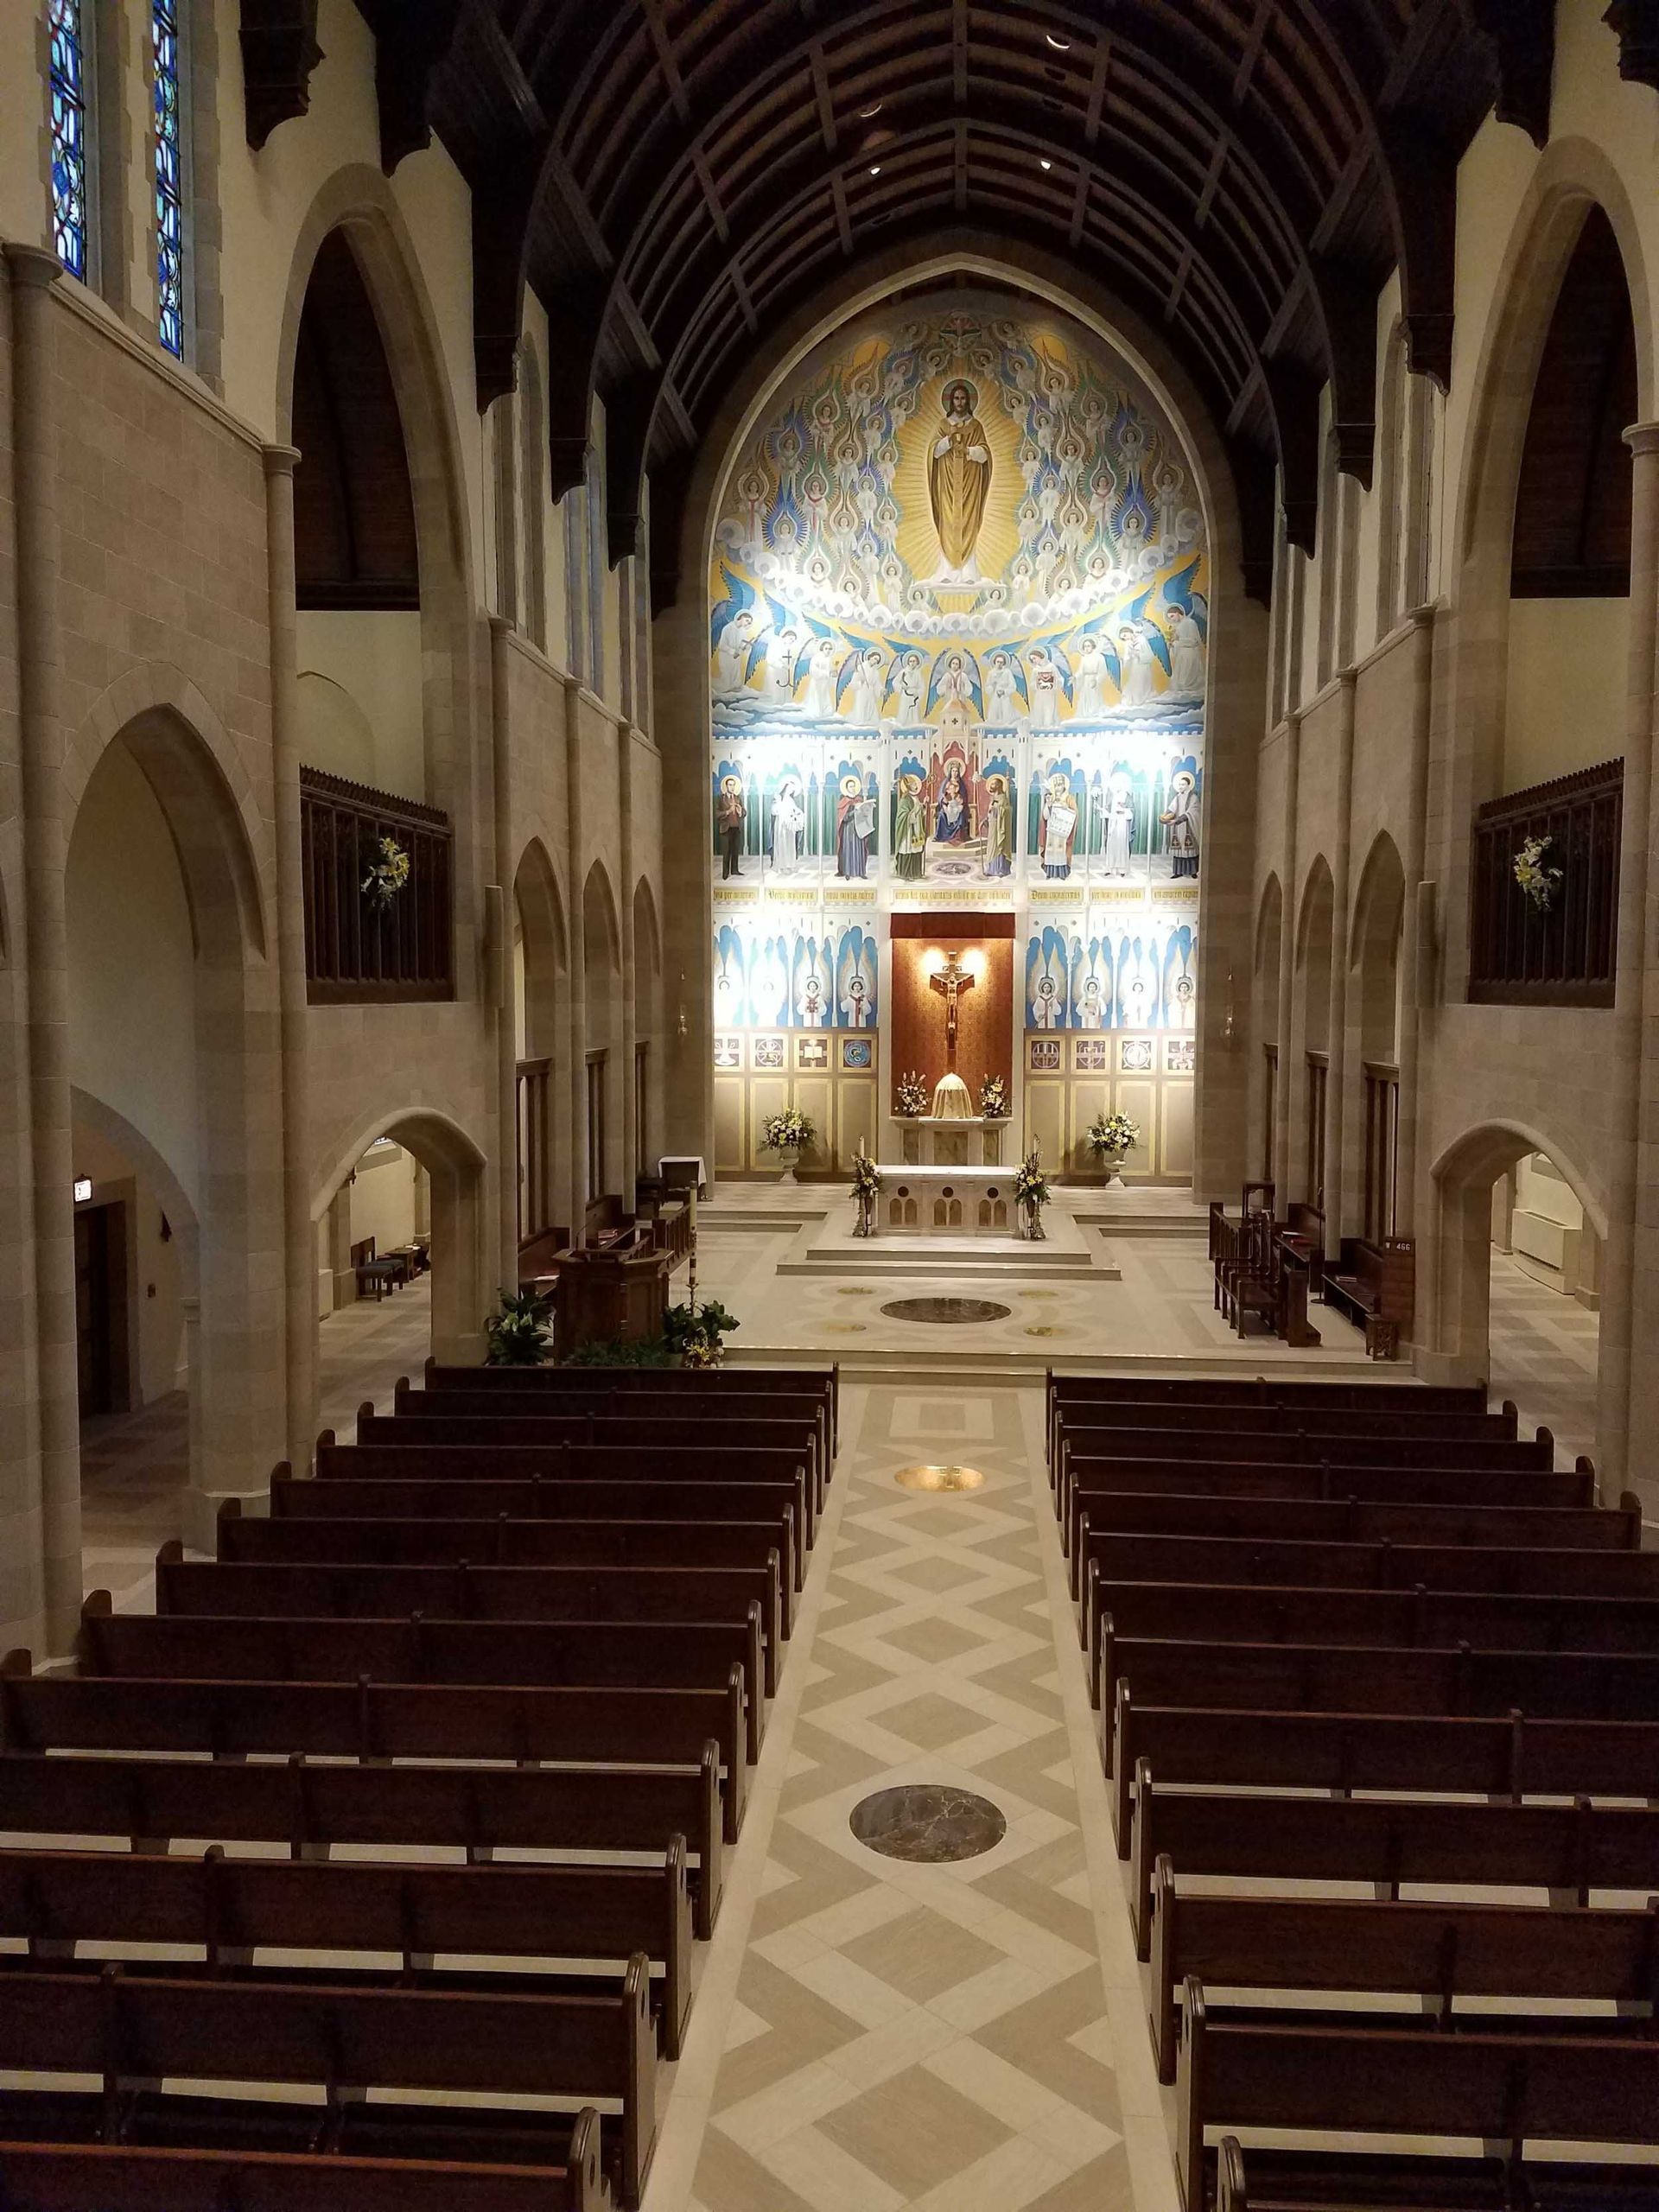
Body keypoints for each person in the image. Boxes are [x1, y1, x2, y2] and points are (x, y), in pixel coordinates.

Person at [927, 378, 992, 582]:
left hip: (970, 482)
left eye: (963, 398)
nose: (960, 402)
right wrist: (948, 440)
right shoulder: (943, 425)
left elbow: (985, 453)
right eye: (956, 398)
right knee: (948, 521)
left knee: (969, 522)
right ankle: (948, 571)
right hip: (947, 483)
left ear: (969, 401)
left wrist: (968, 451)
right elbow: (934, 452)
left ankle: (969, 572)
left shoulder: (976, 426)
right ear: (950, 401)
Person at [1161, 770, 1201, 880]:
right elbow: (1171, 809)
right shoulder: (1177, 797)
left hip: (1189, 827)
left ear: (1189, 785)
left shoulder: (1193, 798)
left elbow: (1193, 812)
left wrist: (1179, 819)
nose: (1180, 786)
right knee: (1179, 851)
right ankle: (1178, 871)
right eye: (1179, 784)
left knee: (1189, 849)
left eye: (1183, 784)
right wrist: (1164, 816)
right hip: (1178, 828)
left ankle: (1193, 871)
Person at [1039, 770, 1077, 880]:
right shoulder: (1050, 798)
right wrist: (1049, 805)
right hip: (1051, 831)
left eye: (1060, 785)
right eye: (1055, 785)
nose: (1058, 788)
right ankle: (1050, 872)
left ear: (1064, 786)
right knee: (1051, 850)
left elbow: (1075, 814)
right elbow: (1045, 816)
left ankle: (1062, 873)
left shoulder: (1069, 798)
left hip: (1063, 831)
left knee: (1061, 851)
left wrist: (1067, 809)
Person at [835, 772, 874, 880]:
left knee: (860, 849)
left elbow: (865, 814)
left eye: (854, 786)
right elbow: (844, 818)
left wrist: (867, 808)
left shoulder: (859, 799)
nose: (853, 788)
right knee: (849, 851)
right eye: (850, 786)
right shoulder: (844, 801)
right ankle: (848, 872)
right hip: (849, 830)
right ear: (846, 788)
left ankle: (861, 871)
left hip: (859, 828)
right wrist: (854, 811)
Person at [893, 772, 926, 882]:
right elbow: (902, 816)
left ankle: (916, 873)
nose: (916, 785)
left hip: (916, 829)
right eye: (913, 784)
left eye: (916, 783)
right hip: (907, 831)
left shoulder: (915, 798)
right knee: (908, 851)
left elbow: (919, 813)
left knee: (916, 851)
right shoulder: (905, 800)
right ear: (908, 786)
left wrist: (923, 806)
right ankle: (905, 873)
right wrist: (916, 810)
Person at [770, 775, 805, 874]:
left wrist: (798, 815)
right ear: (785, 787)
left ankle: (791, 865)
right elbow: (774, 811)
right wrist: (777, 804)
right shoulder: (779, 798)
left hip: (790, 826)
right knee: (783, 844)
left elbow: (795, 811)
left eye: (793, 788)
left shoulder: (791, 800)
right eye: (790, 787)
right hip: (782, 825)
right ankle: (782, 866)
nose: (791, 790)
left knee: (790, 845)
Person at [1167, 607, 1207, 696]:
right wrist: (1172, 643)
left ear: (1178, 613)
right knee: (1180, 680)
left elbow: (1193, 641)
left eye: (1172, 616)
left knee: (1186, 679)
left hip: (1190, 654)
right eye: (1170, 618)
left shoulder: (1190, 623)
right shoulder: (1179, 625)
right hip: (1182, 655)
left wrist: (1177, 643)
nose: (1172, 619)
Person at [1103, 772, 1135, 877]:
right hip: (1113, 822)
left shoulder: (1127, 796)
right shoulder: (1113, 795)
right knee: (1111, 845)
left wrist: (1124, 809)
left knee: (1121, 845)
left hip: (1122, 823)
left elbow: (1132, 811)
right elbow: (1108, 809)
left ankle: (1122, 870)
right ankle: (1110, 868)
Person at [982, 772, 1013, 878]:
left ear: (999, 785)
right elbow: (991, 813)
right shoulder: (993, 798)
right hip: (993, 825)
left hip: (1000, 826)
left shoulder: (1003, 797)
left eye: (994, 784)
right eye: (991, 784)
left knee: (998, 846)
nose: (991, 786)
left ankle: (1000, 869)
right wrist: (985, 819)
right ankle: (991, 869)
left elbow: (1005, 810)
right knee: (991, 846)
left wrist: (995, 809)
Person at [715, 774, 747, 879]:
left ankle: (735, 870)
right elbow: (716, 814)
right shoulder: (720, 799)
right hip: (726, 828)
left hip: (736, 828)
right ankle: (725, 873)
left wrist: (740, 811)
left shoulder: (738, 798)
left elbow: (744, 812)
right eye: (730, 785)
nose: (732, 787)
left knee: (735, 850)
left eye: (733, 785)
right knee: (726, 851)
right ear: (726, 786)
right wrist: (727, 812)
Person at [1118, 623, 1155, 709]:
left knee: (1142, 682)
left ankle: (1143, 701)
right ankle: (1135, 702)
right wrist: (1123, 660)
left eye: (1125, 635)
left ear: (1129, 631)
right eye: (1123, 638)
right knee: (1134, 682)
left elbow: (1150, 655)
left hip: (1143, 665)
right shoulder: (1128, 644)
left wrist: (1138, 654)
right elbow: (1127, 659)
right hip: (1134, 666)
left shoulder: (1141, 639)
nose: (1125, 638)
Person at [1075, 634, 1110, 718]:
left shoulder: (1099, 657)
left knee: (1094, 696)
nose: (1086, 648)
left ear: (1093, 646)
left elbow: (1103, 671)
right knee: (1086, 697)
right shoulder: (1084, 658)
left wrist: (1097, 680)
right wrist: (1075, 677)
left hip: (1094, 679)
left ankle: (1094, 713)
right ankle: (1086, 714)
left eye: (1088, 646)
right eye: (1085, 646)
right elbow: (1081, 671)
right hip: (1086, 680)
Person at [933, 761, 969, 844]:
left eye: (956, 771)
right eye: (953, 771)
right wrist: (943, 802)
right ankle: (940, 836)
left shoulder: (961, 783)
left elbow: (964, 797)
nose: (955, 773)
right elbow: (941, 796)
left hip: (958, 806)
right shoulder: (946, 782)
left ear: (959, 772)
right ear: (950, 771)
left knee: (960, 815)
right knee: (942, 814)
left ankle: (958, 837)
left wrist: (960, 802)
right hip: (947, 806)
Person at [1027, 646, 1060, 728]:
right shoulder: (1035, 670)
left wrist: (1053, 685)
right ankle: (1039, 725)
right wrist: (1038, 685)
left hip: (1049, 693)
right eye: (1032, 660)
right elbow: (1032, 683)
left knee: (1049, 709)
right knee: (1039, 709)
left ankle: (1048, 725)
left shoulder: (1051, 667)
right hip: (1039, 694)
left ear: (1039, 656)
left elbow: (1059, 679)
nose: (1033, 661)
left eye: (1034, 658)